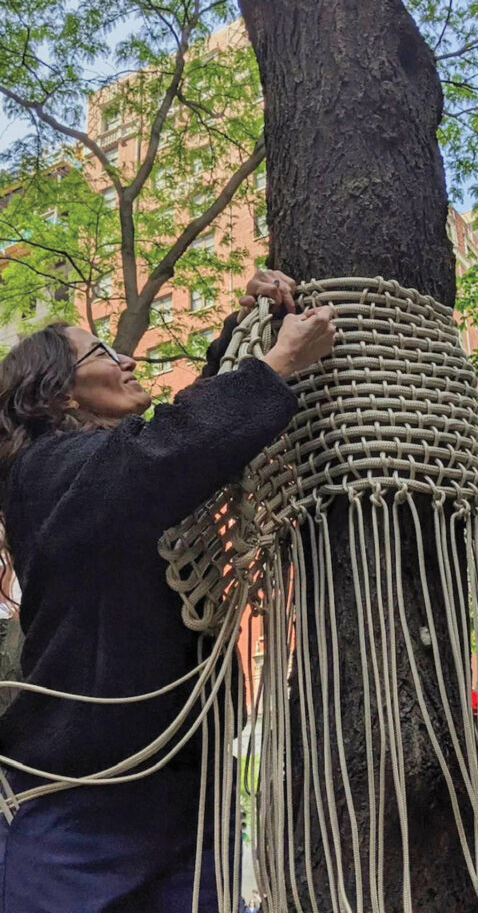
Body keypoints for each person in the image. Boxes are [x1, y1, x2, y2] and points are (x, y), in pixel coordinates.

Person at [0, 269, 335, 913]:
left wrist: (243, 330)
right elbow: (160, 457)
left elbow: (183, 444)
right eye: (102, 353)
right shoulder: (42, 475)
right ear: (59, 395)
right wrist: (280, 361)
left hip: (190, 804)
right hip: (75, 809)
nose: (127, 358)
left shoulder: (113, 466)